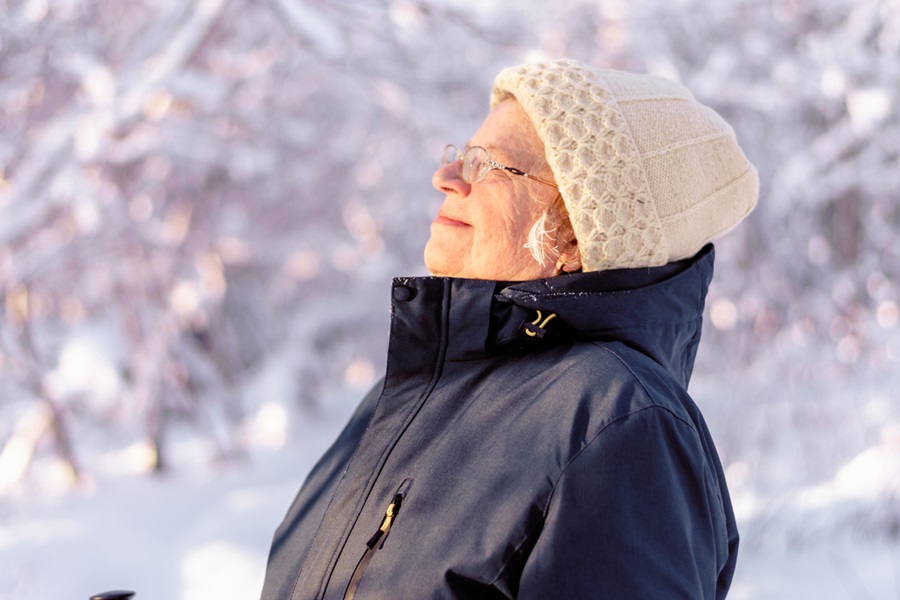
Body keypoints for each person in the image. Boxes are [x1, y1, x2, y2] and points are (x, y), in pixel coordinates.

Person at [260, 58, 758, 600]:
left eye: (488, 164)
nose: (445, 177)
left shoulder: (617, 423)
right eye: (459, 155)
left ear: (574, 233)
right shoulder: (407, 393)